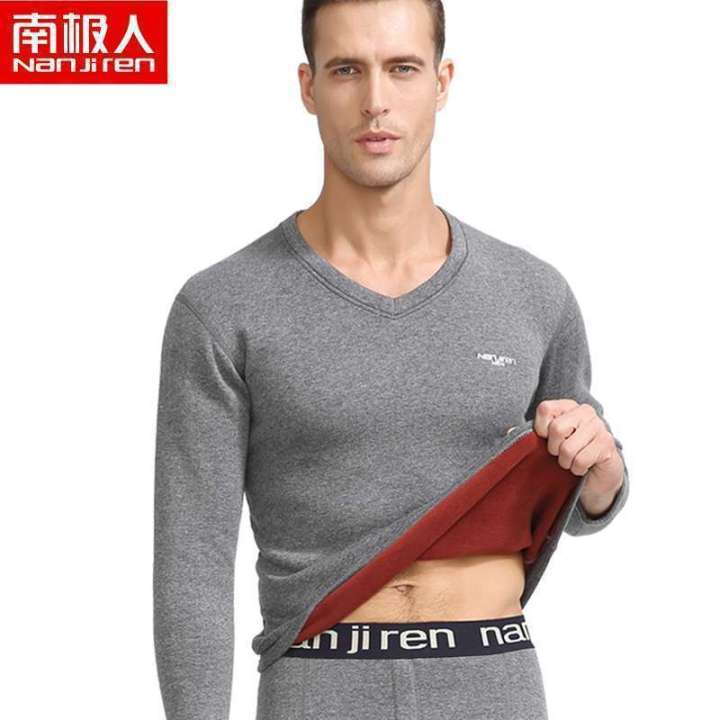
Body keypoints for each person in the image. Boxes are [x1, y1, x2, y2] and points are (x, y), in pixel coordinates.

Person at [153, 1, 630, 718]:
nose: (375, 100)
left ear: (441, 82)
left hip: (493, 680)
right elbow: (192, 559)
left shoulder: (533, 293)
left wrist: (605, 474)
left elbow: (580, 488)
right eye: (348, 70)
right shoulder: (223, 306)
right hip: (317, 681)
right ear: (309, 87)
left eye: (402, 68)